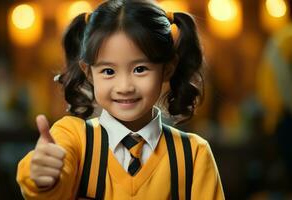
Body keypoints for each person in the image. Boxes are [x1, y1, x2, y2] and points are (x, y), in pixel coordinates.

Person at [17, 0, 224, 199]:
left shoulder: (194, 156)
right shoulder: (74, 138)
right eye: (108, 71)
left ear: (167, 69)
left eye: (140, 69)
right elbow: (47, 186)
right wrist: (42, 175)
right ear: (88, 73)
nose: (124, 87)